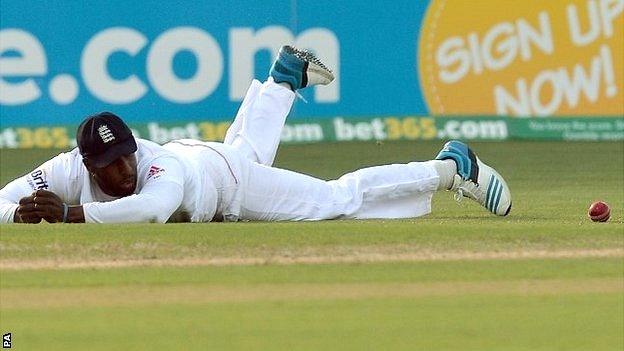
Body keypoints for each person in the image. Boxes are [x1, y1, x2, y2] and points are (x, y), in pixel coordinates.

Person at [0, 46, 511, 224]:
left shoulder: (157, 170)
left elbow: (151, 211)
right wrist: (21, 213)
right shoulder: (67, 168)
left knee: (334, 200)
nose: (125, 167)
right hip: (210, 157)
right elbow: (6, 200)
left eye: (127, 154)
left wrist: (68, 214)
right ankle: (283, 81)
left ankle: (450, 167)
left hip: (222, 180)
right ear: (87, 165)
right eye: (111, 162)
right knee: (246, 148)